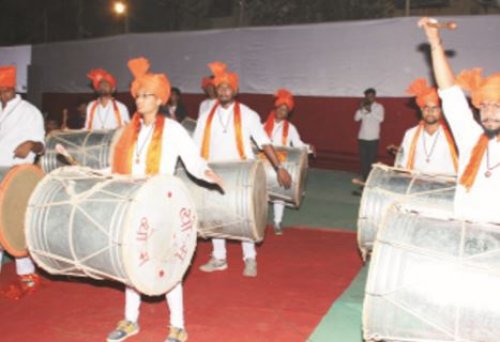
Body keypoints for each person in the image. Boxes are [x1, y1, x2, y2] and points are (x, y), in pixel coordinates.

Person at [107, 57, 223, 342]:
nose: (139, 101)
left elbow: (193, 160)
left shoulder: (172, 130)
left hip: (163, 203)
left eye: (146, 96)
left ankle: (178, 325)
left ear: (159, 100)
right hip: (133, 204)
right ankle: (130, 321)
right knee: (131, 262)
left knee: (168, 263)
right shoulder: (128, 132)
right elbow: (120, 167)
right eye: (138, 95)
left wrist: (208, 173)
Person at [194, 61, 292, 277]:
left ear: (235, 90)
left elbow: (264, 142)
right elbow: (195, 146)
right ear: (216, 90)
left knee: (244, 215)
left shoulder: (248, 114)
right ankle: (219, 257)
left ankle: (250, 259)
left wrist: (280, 168)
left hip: (242, 173)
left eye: (228, 87)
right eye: (220, 87)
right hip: (215, 171)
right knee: (215, 215)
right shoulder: (205, 116)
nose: (223, 90)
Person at [419, 17, 500, 223]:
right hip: (462, 239)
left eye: (497, 106)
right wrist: (435, 42)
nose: (489, 113)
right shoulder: (471, 138)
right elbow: (450, 91)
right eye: (484, 106)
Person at [0, 65, 44, 299]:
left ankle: (27, 275)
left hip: (16, 175)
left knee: (14, 224)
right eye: (1, 90)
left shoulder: (29, 112)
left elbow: (41, 145)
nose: (4, 93)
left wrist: (30, 144)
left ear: (14, 87)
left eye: (8, 89)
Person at [263, 88, 313, 235]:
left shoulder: (291, 128)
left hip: (281, 163)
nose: (282, 112)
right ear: (275, 108)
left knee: (280, 193)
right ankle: (259, 219)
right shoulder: (262, 125)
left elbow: (298, 144)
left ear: (288, 113)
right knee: (259, 192)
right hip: (263, 162)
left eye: (285, 110)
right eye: (280, 108)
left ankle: (277, 222)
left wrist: (309, 148)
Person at [389, 78, 458, 175]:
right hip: (418, 185)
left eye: (434, 108)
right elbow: (403, 164)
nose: (430, 112)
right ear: (421, 110)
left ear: (441, 111)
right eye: (426, 108)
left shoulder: (453, 134)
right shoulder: (410, 134)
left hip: (447, 184)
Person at [354, 88, 385, 182]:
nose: (369, 98)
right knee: (363, 161)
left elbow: (381, 119)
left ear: (374, 96)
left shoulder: (379, 107)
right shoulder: (363, 107)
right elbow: (356, 118)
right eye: (367, 96)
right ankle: (364, 179)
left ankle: (370, 180)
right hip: (362, 137)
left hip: (373, 138)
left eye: (371, 96)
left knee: (371, 161)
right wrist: (360, 109)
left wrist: (370, 111)